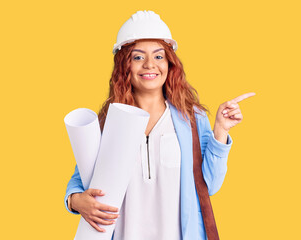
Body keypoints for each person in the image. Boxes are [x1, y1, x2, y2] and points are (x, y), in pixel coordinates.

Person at [64, 10, 255, 240]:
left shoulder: (192, 119)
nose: (149, 65)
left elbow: (210, 185)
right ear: (125, 65)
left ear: (169, 63)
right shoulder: (108, 122)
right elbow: (80, 180)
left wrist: (221, 131)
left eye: (158, 56)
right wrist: (75, 201)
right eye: (137, 57)